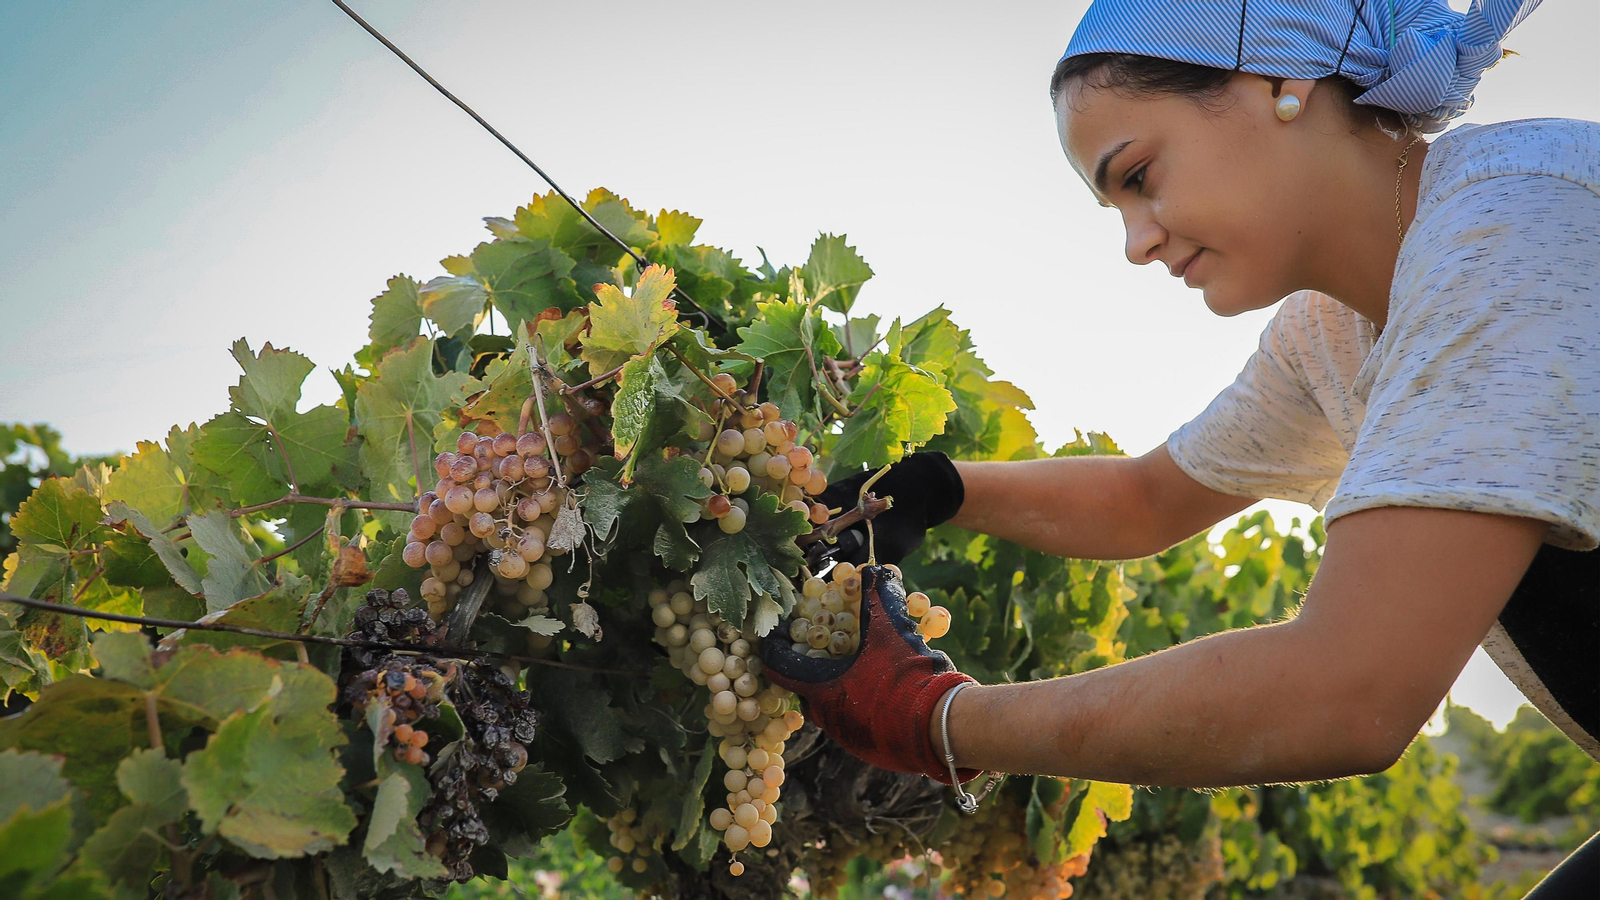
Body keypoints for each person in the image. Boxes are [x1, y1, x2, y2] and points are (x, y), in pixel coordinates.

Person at [761, 0, 1599, 894]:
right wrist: (933, 488)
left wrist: (939, 720)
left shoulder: (1518, 227)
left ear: (1282, 83)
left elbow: (1347, 692)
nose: (1135, 242)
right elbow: (1150, 498)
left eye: (1141, 175)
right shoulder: (1332, 334)